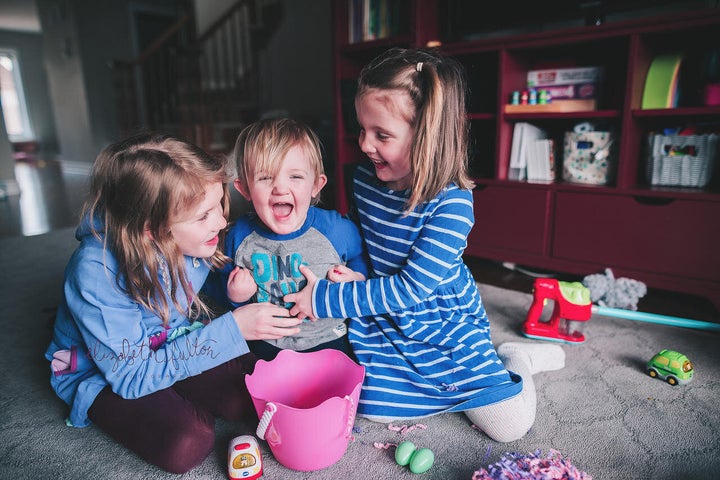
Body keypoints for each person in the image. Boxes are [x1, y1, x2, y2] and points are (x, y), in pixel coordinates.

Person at [285, 47, 565, 442]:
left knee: (509, 427)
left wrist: (326, 298)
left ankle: (514, 357)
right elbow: (366, 244)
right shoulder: (365, 181)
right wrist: (359, 272)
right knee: (368, 408)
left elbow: (412, 288)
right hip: (387, 312)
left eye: (382, 134)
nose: (365, 144)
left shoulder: (452, 204)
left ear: (427, 136)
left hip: (440, 319)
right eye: (362, 128)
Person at [44, 132, 303, 474]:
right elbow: (131, 377)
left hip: (170, 338)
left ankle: (179, 386)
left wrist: (237, 293)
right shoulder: (95, 273)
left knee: (253, 390)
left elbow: (204, 287)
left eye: (218, 207)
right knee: (187, 442)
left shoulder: (188, 237)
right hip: (110, 370)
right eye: (204, 216)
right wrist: (232, 328)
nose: (221, 222)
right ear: (153, 230)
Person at [214, 117, 368, 361]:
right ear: (245, 190)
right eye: (265, 178)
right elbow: (220, 288)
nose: (280, 188)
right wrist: (235, 295)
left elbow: (361, 255)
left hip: (329, 340)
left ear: (316, 185)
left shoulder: (336, 230)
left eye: (295, 177)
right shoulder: (238, 235)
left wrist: (357, 276)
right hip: (265, 344)